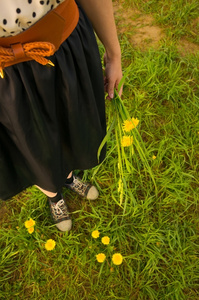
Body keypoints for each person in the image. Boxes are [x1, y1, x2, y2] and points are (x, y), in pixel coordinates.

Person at [0, 0, 122, 232]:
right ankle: (54, 195)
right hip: (4, 73)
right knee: (32, 144)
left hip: (64, 48)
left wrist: (113, 52)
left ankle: (67, 177)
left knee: (75, 128)